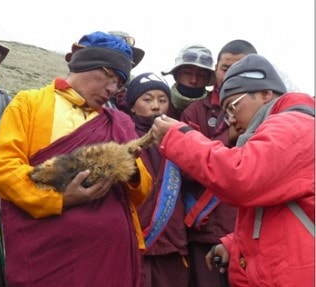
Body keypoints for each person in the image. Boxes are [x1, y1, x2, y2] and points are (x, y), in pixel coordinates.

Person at [0, 31, 152, 286]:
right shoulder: (29, 104)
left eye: (119, 83)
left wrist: (127, 167)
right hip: (47, 254)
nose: (112, 89)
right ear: (83, 63)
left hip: (109, 257)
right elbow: (4, 170)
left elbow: (141, 191)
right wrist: (61, 199)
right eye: (109, 76)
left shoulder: (119, 122)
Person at [152, 54, 315, 286]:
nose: (231, 121)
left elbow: (241, 177)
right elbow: (275, 208)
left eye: (232, 107)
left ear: (265, 94)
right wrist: (235, 243)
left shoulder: (293, 125)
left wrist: (180, 138)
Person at [178, 40, 257, 287]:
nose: (231, 74)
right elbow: (184, 166)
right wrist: (228, 139)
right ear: (216, 69)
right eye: (225, 68)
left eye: (241, 68)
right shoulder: (195, 112)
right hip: (205, 230)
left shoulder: (268, 113)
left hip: (249, 230)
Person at [124, 72, 189, 286]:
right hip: (134, 239)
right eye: (147, 99)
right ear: (132, 105)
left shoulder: (180, 137)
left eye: (162, 100)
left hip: (172, 240)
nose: (156, 106)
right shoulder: (122, 135)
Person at [162, 44, 215, 118]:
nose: (194, 80)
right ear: (175, 75)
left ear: (208, 79)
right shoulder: (159, 103)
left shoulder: (217, 107)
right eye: (187, 73)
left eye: (201, 75)